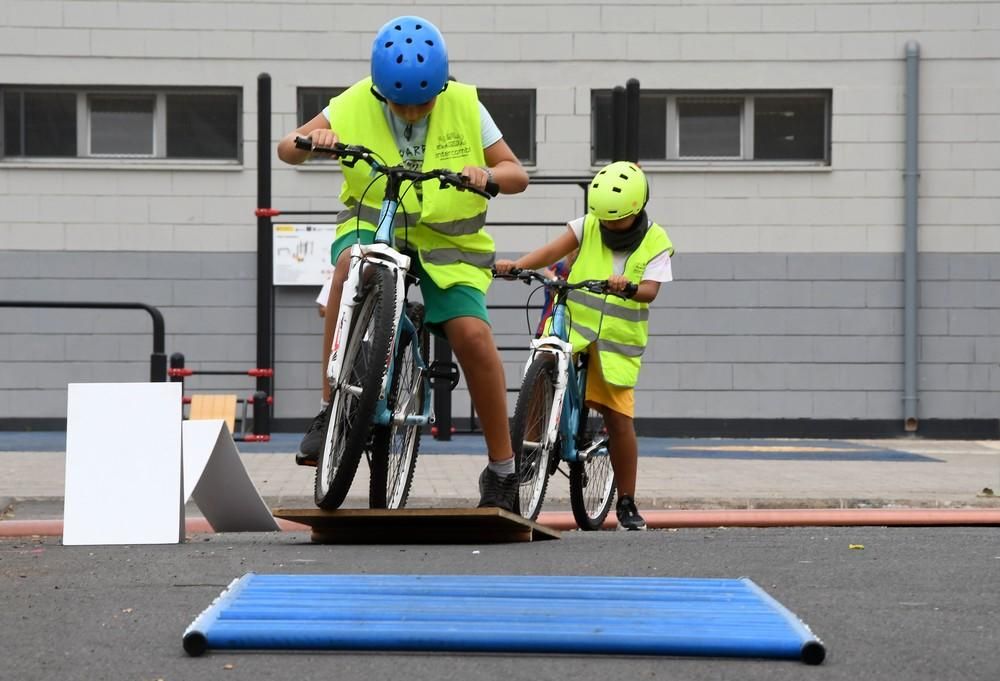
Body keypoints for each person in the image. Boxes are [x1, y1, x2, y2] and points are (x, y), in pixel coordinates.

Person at [277, 16, 529, 512]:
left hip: (447, 243)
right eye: (400, 102)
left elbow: (516, 174)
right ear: (379, 90)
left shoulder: (465, 104)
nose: (412, 112)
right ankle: (332, 411)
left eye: (424, 101)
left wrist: (487, 174)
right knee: (348, 266)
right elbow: (288, 148)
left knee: (472, 336)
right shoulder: (351, 102)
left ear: (441, 85)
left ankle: (502, 469)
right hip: (374, 223)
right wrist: (314, 143)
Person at [495, 161, 673, 530]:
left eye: (616, 220)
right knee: (539, 369)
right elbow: (550, 252)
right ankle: (528, 454)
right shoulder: (588, 225)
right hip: (574, 327)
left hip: (616, 344)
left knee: (619, 419)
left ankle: (625, 500)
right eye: (603, 219)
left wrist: (628, 287)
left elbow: (651, 292)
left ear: (637, 210)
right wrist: (518, 266)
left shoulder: (657, 242)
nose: (607, 226)